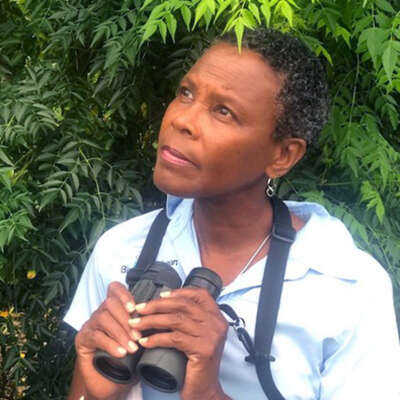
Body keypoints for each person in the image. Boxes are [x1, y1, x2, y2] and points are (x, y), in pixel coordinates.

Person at [64, 29, 400, 400]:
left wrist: (209, 394)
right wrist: (100, 392)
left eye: (223, 111)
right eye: (186, 92)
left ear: (282, 155)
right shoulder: (123, 249)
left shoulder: (348, 288)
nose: (182, 120)